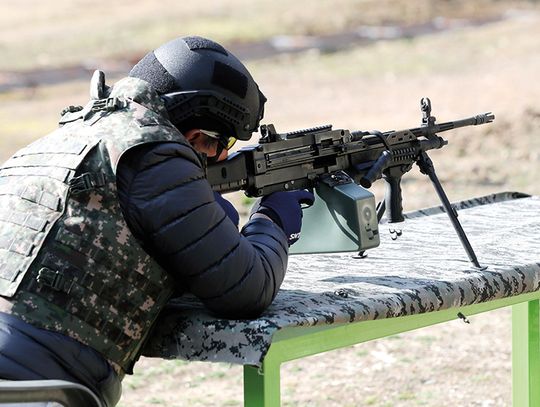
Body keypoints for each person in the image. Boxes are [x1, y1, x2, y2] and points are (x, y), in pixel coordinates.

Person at [0, 36, 313, 406]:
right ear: (195, 135)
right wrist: (273, 216)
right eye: (220, 144)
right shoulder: (157, 153)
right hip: (36, 387)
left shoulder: (62, 138)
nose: (222, 157)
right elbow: (247, 289)